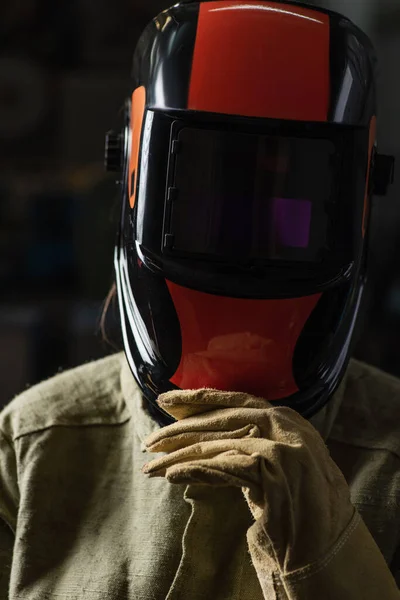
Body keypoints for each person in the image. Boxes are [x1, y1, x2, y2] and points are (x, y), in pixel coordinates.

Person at [0, 1, 398, 598]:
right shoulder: (37, 438)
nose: (244, 232)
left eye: (281, 204)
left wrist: (330, 553)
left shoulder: (391, 451)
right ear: (135, 169)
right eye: (212, 198)